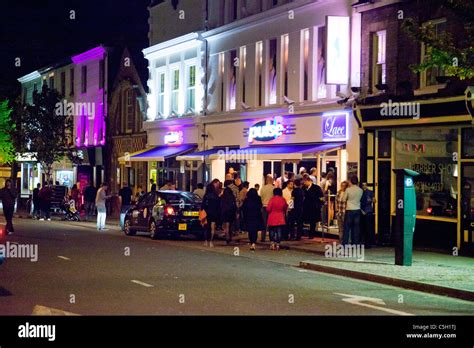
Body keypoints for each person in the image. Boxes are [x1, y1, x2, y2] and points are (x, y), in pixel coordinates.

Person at [343, 176, 363, 245]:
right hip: (357, 209)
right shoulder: (360, 190)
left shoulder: (348, 190)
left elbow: (343, 199)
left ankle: (345, 243)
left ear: (351, 181)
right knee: (356, 228)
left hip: (349, 209)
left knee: (347, 228)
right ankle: (355, 243)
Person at [302, 174, 324, 239]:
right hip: (306, 207)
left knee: (313, 221)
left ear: (308, 181)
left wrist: (319, 204)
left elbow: (321, 197)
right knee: (305, 220)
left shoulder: (316, 188)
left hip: (314, 207)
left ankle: (311, 234)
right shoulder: (303, 188)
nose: (304, 183)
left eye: (305, 182)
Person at [201, 182, 221, 247]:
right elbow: (218, 205)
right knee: (212, 227)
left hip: (206, 213)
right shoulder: (216, 196)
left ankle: (206, 241)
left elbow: (203, 205)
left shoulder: (206, 196)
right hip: (214, 213)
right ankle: (211, 242)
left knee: (206, 227)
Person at [259, 174, 274, 242]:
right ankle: (271, 237)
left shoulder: (262, 188)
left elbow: (261, 197)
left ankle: (263, 237)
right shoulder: (273, 188)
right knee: (271, 223)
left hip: (264, 207)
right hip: (271, 208)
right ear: (271, 180)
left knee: (264, 223)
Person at [361, 182, 376, 248]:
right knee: (363, 227)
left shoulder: (370, 192)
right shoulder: (360, 192)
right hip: (363, 210)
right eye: (363, 185)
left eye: (365, 185)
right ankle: (364, 242)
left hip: (368, 211)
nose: (364, 186)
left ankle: (368, 242)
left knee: (368, 227)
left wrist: (372, 200)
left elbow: (374, 200)